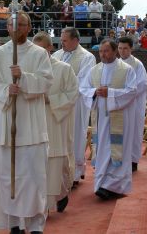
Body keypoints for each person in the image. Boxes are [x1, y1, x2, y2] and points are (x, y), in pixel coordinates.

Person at [0, 12, 53, 234]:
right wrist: (6, 90)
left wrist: (23, 78)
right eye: (13, 25)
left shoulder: (40, 54)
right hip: (5, 127)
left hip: (31, 128)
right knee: (5, 176)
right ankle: (13, 223)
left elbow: (46, 82)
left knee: (33, 178)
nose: (17, 29)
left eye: (22, 24)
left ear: (29, 27)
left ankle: (35, 225)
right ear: (7, 28)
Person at [80, 39, 136, 199]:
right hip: (101, 119)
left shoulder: (127, 70)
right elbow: (84, 89)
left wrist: (110, 93)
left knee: (117, 150)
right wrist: (94, 92)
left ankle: (116, 186)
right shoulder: (94, 70)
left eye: (106, 51)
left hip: (120, 119)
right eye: (100, 52)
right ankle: (102, 184)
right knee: (103, 150)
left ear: (114, 52)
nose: (103, 54)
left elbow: (132, 91)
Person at [32, 32, 78, 213]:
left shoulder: (64, 69)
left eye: (43, 48)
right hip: (34, 124)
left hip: (56, 122)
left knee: (58, 164)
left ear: (50, 48)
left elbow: (73, 93)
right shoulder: (30, 71)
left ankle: (61, 193)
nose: (39, 53)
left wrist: (50, 99)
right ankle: (41, 205)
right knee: (38, 165)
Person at [52, 27, 96, 186]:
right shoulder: (56, 55)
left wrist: (64, 92)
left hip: (75, 103)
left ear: (76, 40)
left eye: (65, 40)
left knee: (75, 135)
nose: (61, 43)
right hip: (57, 103)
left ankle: (75, 173)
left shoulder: (87, 57)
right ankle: (58, 171)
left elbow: (84, 80)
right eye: (61, 40)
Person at [118, 37, 147, 172]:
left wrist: (126, 94)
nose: (122, 51)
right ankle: (119, 158)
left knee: (134, 131)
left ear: (131, 49)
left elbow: (142, 84)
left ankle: (133, 160)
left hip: (133, 104)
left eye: (125, 48)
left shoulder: (137, 64)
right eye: (120, 48)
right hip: (118, 105)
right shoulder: (116, 63)